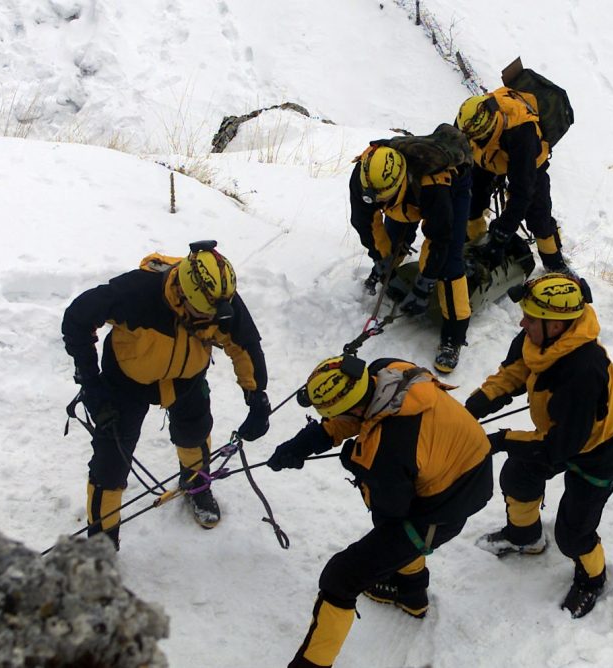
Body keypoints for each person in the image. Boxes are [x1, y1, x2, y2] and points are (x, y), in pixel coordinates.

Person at [267, 354, 492, 668]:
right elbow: (360, 414)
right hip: (458, 463)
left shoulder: (390, 447)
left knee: (341, 577)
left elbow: (390, 508)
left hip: (446, 504)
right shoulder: (387, 371)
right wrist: (309, 441)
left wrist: (359, 466)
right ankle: (411, 594)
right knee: (393, 527)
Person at [61, 240, 270, 549]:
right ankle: (100, 548)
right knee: (110, 465)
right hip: (126, 383)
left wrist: (256, 398)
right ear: (183, 294)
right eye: (200, 314)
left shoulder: (219, 300)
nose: (208, 321)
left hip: (187, 378)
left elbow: (244, 345)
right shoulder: (134, 294)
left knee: (195, 434)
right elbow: (77, 318)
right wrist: (91, 382)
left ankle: (196, 485)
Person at [464, 273, 613, 619]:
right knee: (518, 476)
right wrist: (475, 406)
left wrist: (501, 440)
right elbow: (516, 370)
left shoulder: (583, 372)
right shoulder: (538, 336)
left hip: (601, 451)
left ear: (557, 326)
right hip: (562, 434)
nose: (522, 322)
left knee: (573, 533)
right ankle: (524, 537)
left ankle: (592, 579)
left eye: (530, 318)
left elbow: (559, 448)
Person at [349, 141, 472, 373]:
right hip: (403, 196)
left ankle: (453, 338)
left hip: (451, 188)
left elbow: (439, 239)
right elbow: (364, 222)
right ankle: (388, 268)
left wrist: (425, 283)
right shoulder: (364, 176)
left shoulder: (434, 186)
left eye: (382, 200)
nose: (378, 204)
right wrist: (381, 259)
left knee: (449, 263)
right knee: (392, 240)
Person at [455, 91, 572, 275]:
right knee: (473, 202)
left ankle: (555, 264)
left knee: (538, 216)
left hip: (530, 163)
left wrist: (501, 237)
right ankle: (474, 244)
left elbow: (521, 194)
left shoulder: (521, 135)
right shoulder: (468, 120)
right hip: (488, 158)